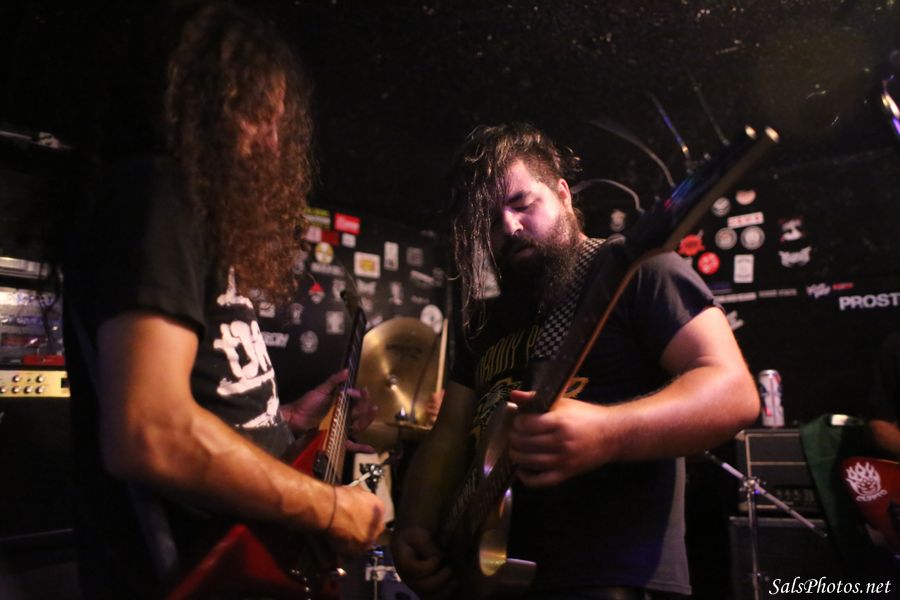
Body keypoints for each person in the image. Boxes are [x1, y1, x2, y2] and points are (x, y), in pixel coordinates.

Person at [61, 4, 383, 598]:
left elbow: (205, 405)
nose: (272, 141)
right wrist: (332, 508)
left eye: (279, 122)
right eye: (257, 114)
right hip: (193, 572)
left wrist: (286, 421)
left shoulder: (188, 216)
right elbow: (152, 431)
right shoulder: (158, 193)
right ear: (199, 101)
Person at [391, 122, 760, 599]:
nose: (510, 227)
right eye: (490, 220)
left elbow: (734, 391)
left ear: (563, 194)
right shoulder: (483, 321)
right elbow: (446, 435)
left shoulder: (638, 270)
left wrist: (609, 432)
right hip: (484, 582)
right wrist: (415, 526)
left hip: (608, 578)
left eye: (522, 203)